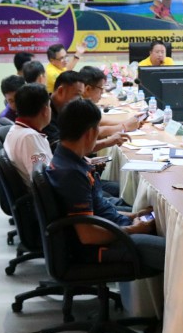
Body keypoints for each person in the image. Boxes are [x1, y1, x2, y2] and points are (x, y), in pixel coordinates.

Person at [44, 98, 165, 271]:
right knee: (177, 255)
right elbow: (88, 235)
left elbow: (97, 210)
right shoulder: (72, 174)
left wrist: (134, 215)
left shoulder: (66, 157)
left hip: (114, 228)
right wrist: (134, 229)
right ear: (90, 134)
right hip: (99, 247)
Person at [78, 66, 143, 147]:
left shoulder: (84, 103)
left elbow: (97, 122)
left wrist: (128, 123)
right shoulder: (77, 105)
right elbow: (93, 132)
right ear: (87, 89)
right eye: (101, 88)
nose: (102, 92)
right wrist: (124, 126)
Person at [2, 83, 53, 184]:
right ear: (45, 110)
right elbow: (43, 181)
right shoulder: (29, 137)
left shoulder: (15, 130)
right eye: (49, 106)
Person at [42, 70, 84, 148]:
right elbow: (60, 147)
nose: (80, 100)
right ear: (61, 91)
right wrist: (105, 142)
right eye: (77, 94)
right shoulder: (44, 112)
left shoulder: (65, 108)